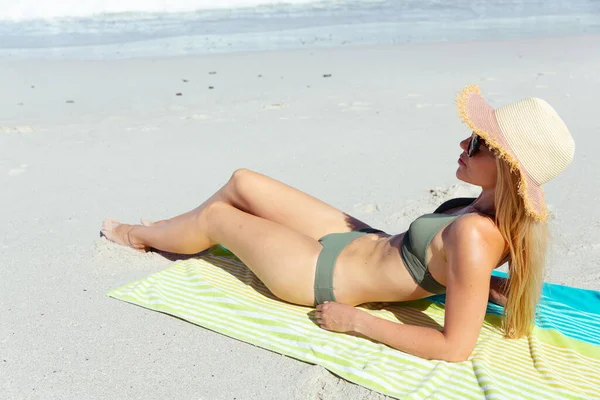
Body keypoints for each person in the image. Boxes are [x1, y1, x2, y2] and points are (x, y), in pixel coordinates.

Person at [101, 84, 575, 362]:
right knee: (243, 181)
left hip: (320, 276)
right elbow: (445, 269)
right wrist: (486, 288)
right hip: (359, 241)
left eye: (476, 143)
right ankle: (172, 228)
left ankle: (138, 236)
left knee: (219, 216)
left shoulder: (476, 235)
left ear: (507, 171)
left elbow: (455, 348)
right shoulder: (484, 210)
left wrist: (357, 322)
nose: (462, 144)